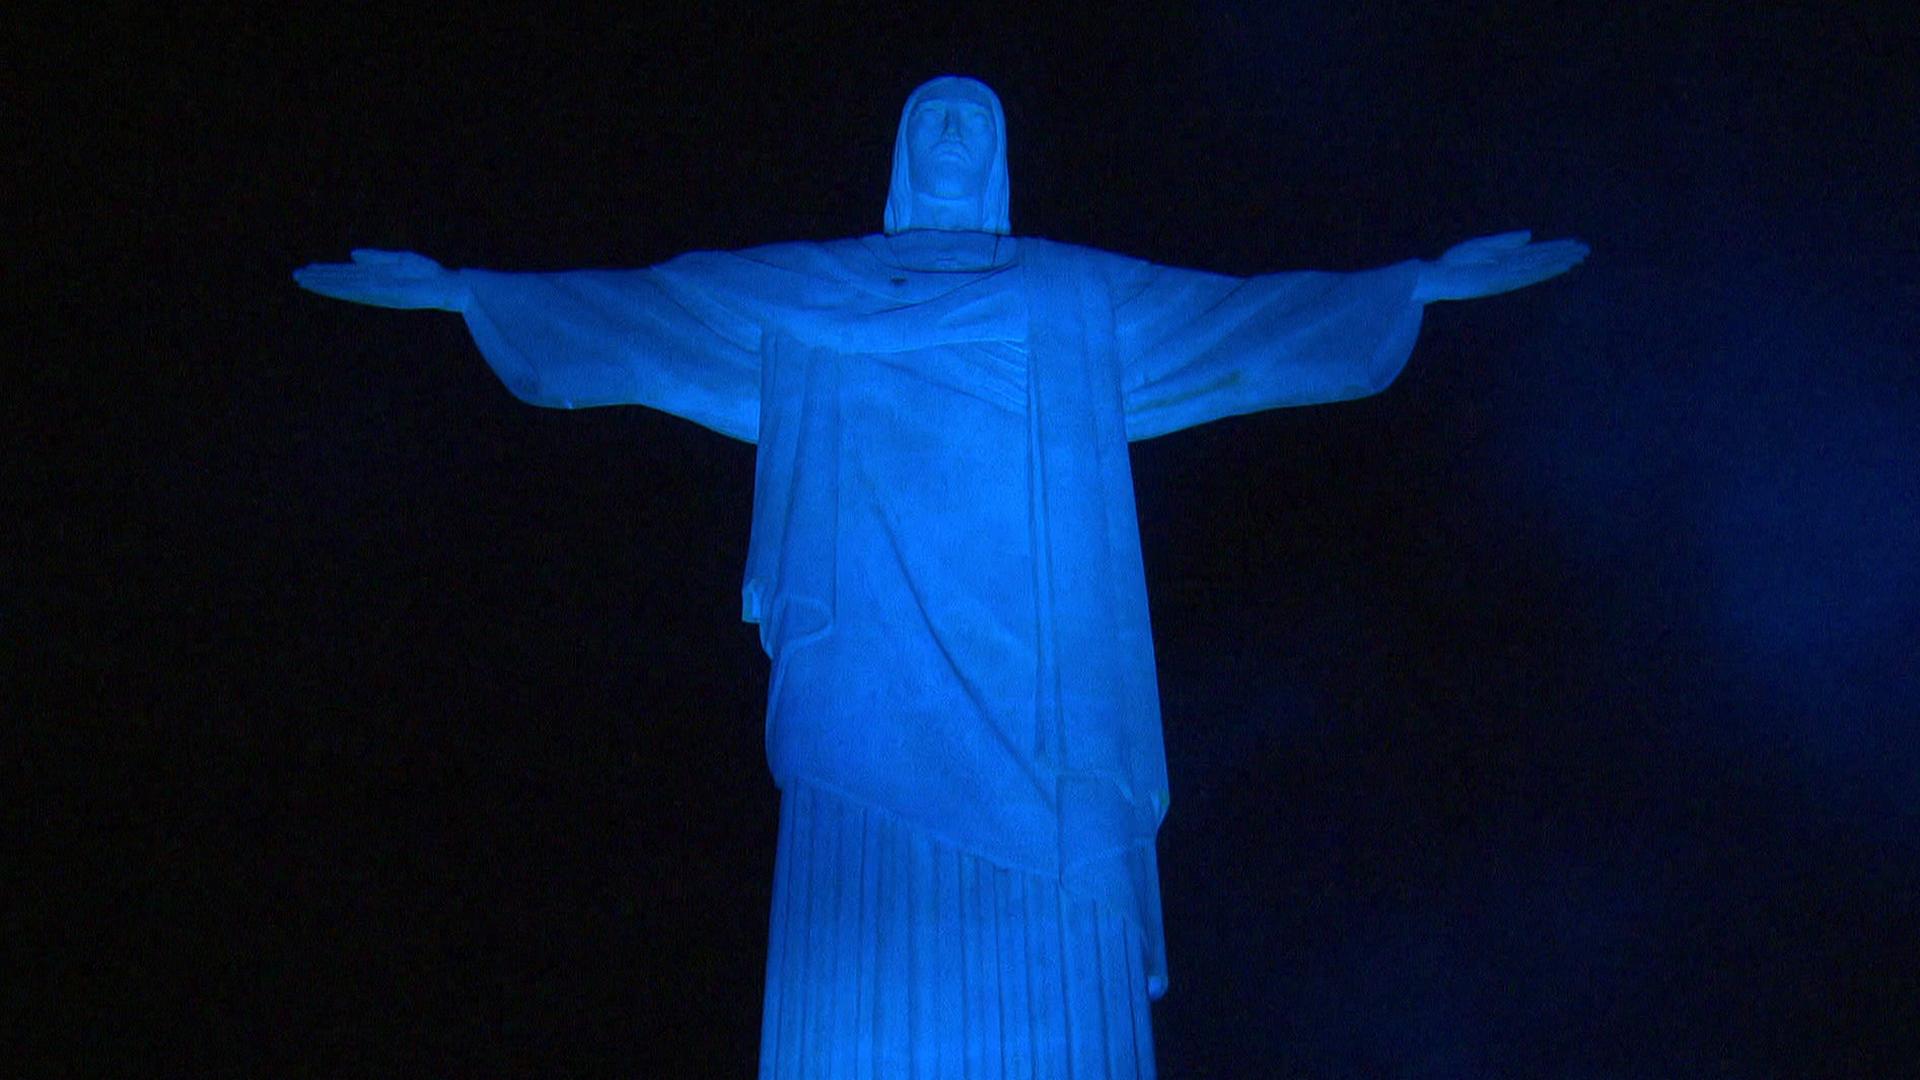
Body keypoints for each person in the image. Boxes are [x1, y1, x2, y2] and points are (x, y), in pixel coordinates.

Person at [296, 75, 1586, 1079]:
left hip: (1045, 701)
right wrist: (469, 294)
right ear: (910, 153)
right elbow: (646, 316)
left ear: (1002, 151)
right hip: (867, 681)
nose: (960, 130)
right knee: (865, 932)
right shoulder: (811, 290)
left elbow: (1239, 321)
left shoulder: (1074, 295)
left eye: (979, 114)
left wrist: (1416, 283)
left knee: (1052, 940)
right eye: (938, 115)